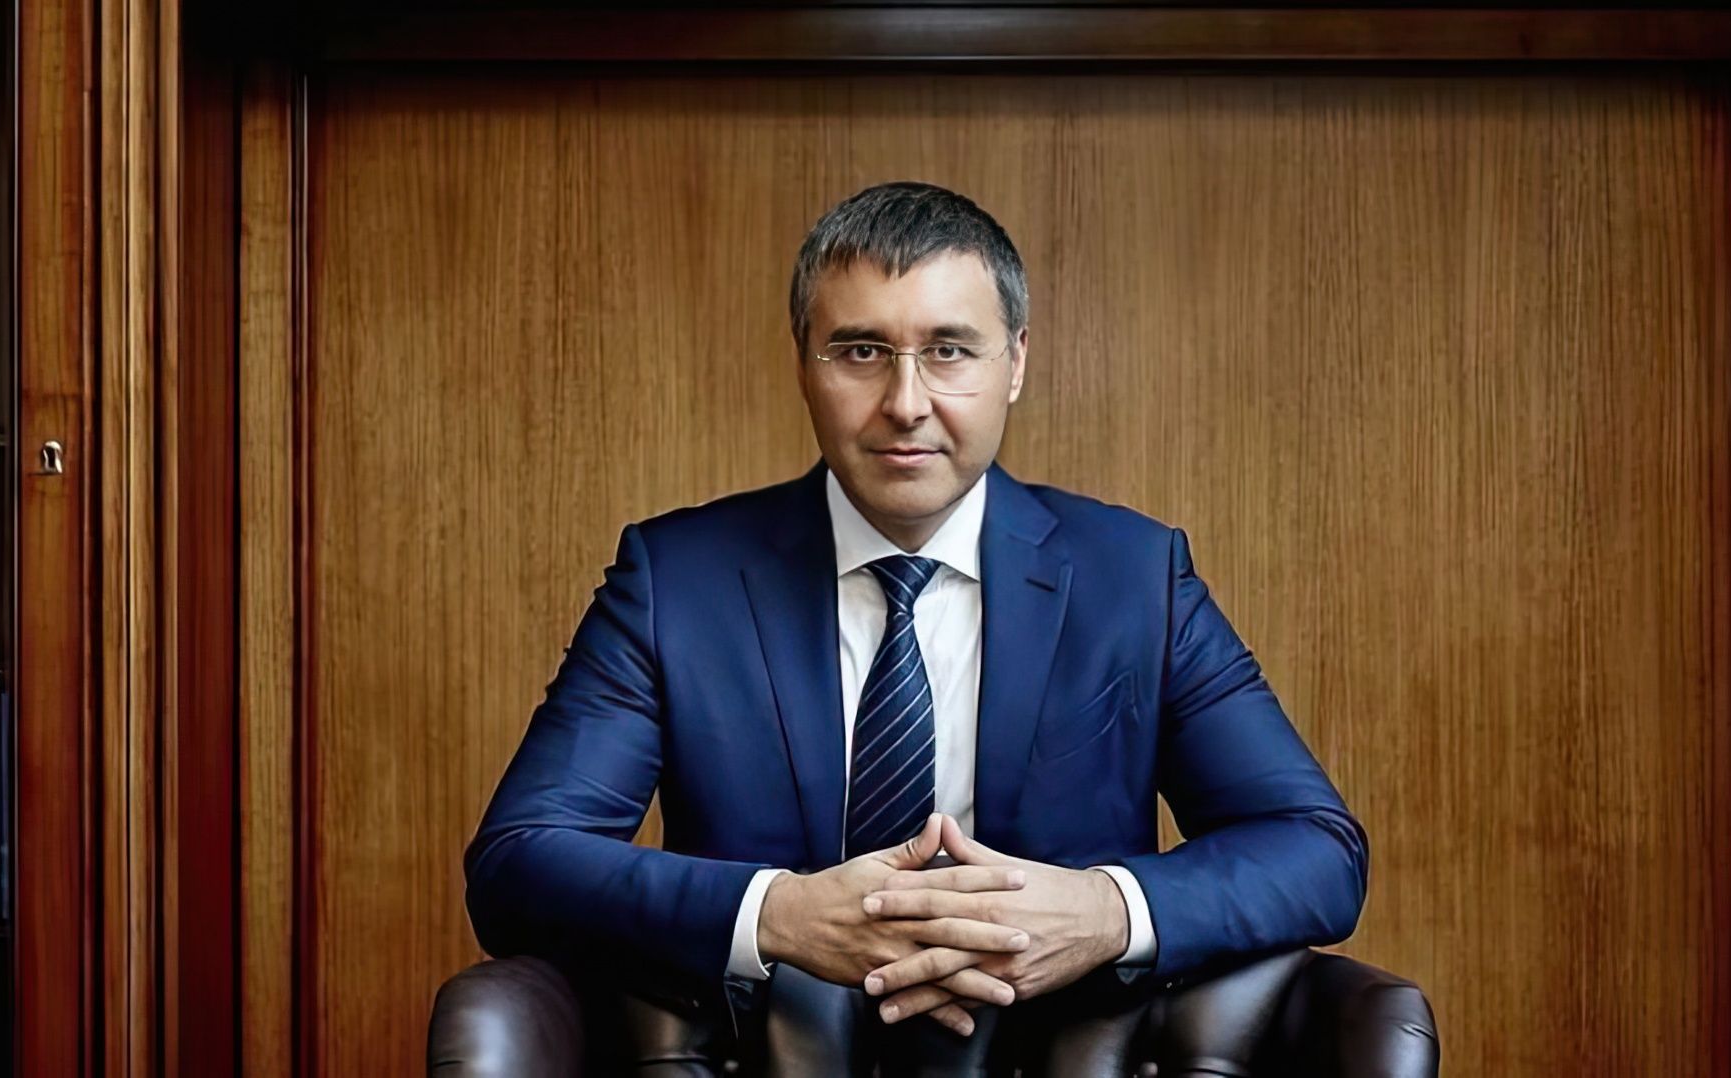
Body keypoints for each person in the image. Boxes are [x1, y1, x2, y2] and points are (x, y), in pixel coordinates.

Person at [464, 181, 1367, 1071]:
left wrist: (1104, 910)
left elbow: (1316, 849)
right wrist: (776, 914)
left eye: (949, 351)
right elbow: (518, 861)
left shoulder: (1134, 578)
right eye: (860, 351)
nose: (905, 401)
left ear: (1015, 362)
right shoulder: (677, 581)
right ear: (803, 363)